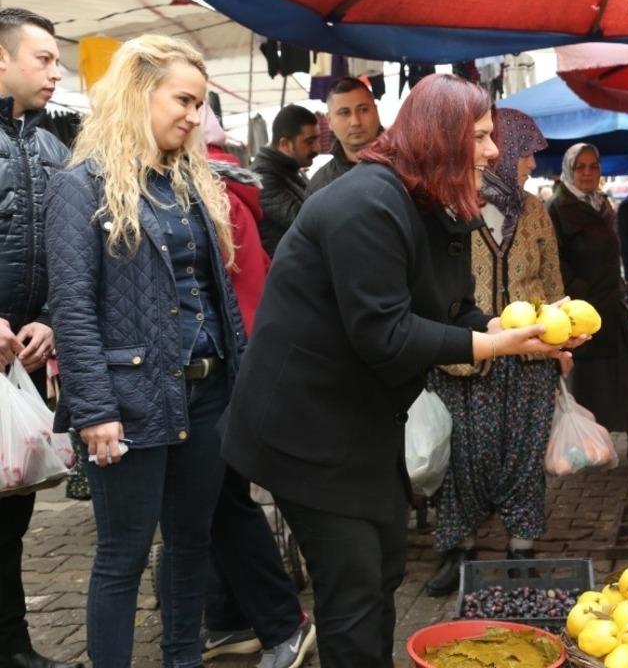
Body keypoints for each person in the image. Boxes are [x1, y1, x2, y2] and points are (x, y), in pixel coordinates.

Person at [220, 74, 573, 667]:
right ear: (441, 137)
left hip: (364, 421)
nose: (492, 151)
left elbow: (455, 309)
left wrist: (519, 332)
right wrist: (497, 346)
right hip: (303, 428)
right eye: (482, 136)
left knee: (383, 564)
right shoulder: (365, 202)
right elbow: (384, 334)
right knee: (353, 589)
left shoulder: (436, 202)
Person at [44, 34, 247, 668]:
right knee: (123, 554)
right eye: (183, 100)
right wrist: (94, 411)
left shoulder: (189, 180)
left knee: (191, 543)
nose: (193, 115)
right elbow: (72, 307)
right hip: (128, 401)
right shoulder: (82, 186)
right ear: (140, 93)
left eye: (200, 103)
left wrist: (241, 381)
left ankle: (183, 660)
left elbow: (217, 297)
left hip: (207, 393)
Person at [425, 108, 566, 597]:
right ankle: (457, 550)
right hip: (465, 356)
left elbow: (551, 284)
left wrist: (559, 342)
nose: (529, 163)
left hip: (527, 360)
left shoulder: (535, 211)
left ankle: (521, 549)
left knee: (524, 455)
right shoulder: (450, 208)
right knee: (463, 458)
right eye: (525, 152)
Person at [199, 107, 315, 668]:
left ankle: (281, 621)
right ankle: (231, 618)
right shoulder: (228, 188)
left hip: (227, 367)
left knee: (223, 501)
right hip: (242, 361)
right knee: (214, 500)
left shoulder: (207, 192)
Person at [0, 7, 82, 668]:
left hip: (19, 369)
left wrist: (51, 315)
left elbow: (70, 254)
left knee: (10, 515)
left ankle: (12, 645)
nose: (57, 71)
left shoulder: (55, 149)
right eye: (44, 58)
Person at [548, 144, 628, 465]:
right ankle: (585, 447)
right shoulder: (558, 208)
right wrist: (579, 291)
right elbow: (555, 259)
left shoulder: (602, 205)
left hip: (611, 307)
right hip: (583, 310)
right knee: (591, 383)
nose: (588, 173)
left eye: (594, 166)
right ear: (570, 170)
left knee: (627, 374)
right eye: (581, 167)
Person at [251, 104, 319, 256]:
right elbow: (305, 220)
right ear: (285, 144)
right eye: (309, 142)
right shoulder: (264, 178)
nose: (317, 149)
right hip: (288, 272)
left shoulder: (289, 169)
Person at [305, 77, 380, 195]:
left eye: (363, 110)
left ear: (376, 111)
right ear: (329, 121)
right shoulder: (320, 186)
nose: (356, 122)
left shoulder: (407, 165)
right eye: (344, 113)